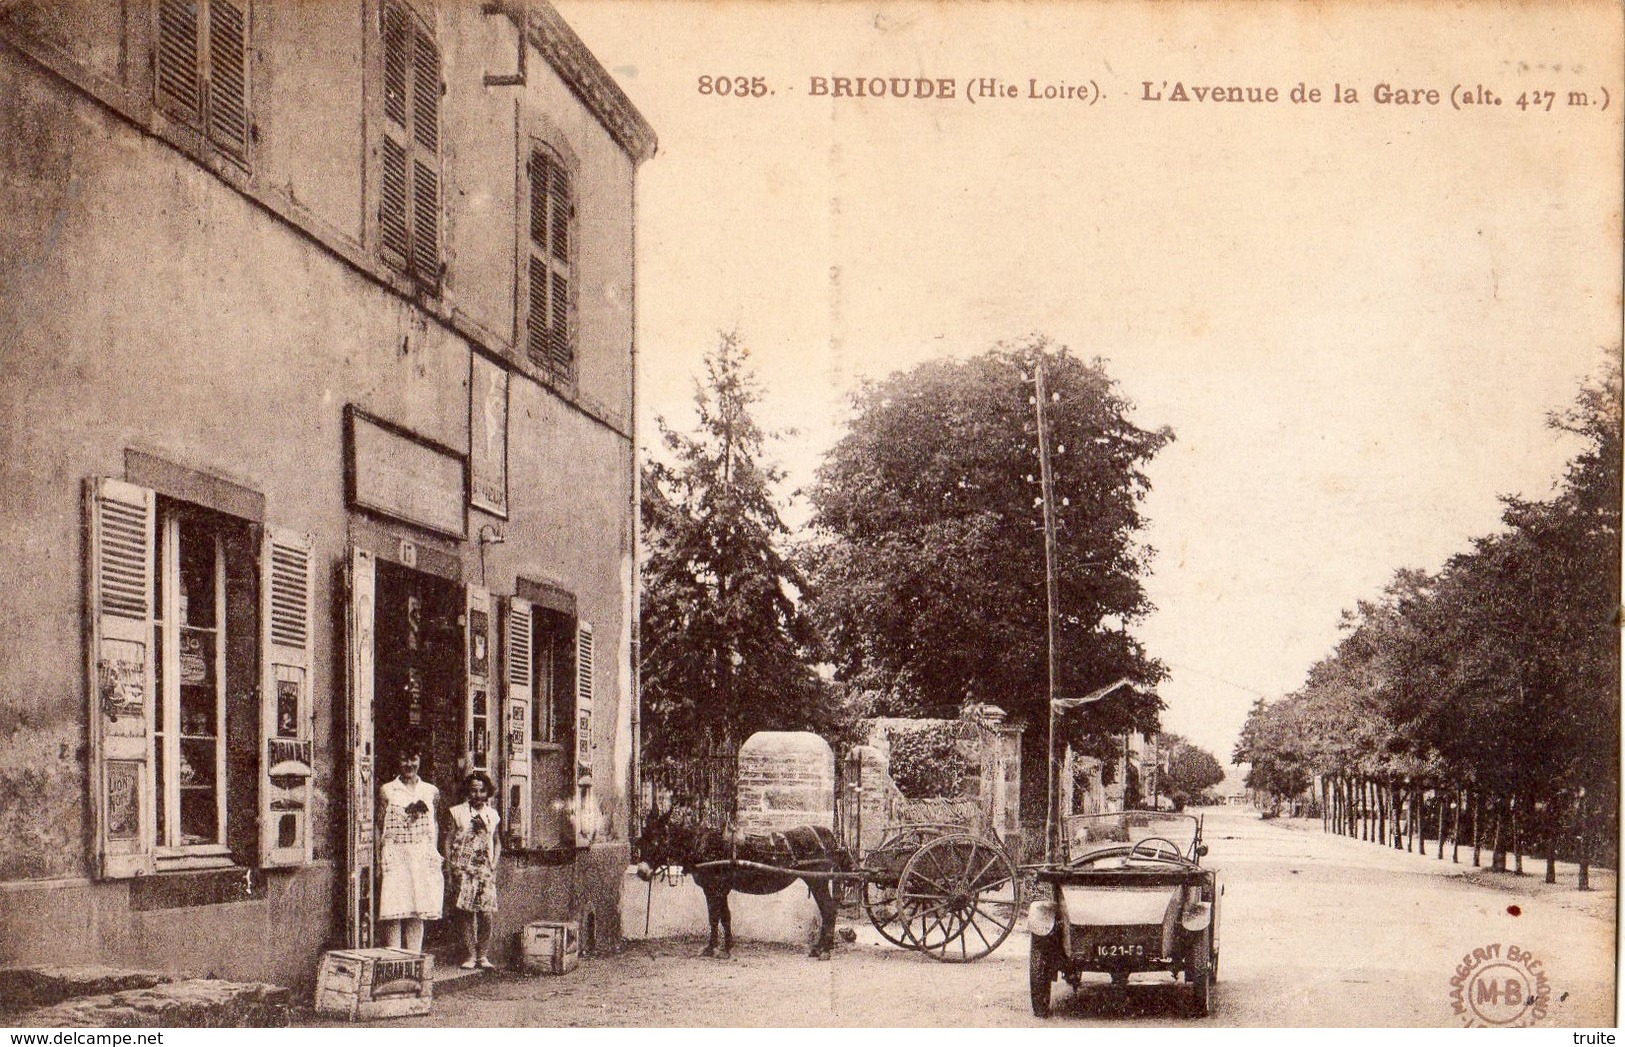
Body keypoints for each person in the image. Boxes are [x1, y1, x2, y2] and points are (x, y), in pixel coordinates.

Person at [377, 747, 443, 953]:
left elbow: (435, 823)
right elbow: (379, 824)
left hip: (421, 854)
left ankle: (414, 957)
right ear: (398, 761)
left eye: (413, 759)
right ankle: (394, 958)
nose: (409, 765)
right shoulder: (388, 790)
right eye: (404, 759)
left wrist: (435, 853)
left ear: (420, 759)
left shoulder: (431, 791)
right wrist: (378, 857)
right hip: (396, 854)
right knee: (394, 908)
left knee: (417, 908)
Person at [447, 771, 502, 969]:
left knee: (486, 913)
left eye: (481, 791)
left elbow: (496, 842)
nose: (477, 795)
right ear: (467, 792)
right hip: (464, 868)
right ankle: (470, 955)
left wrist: (494, 862)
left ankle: (483, 955)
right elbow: (449, 839)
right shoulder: (458, 812)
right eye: (473, 791)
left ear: (487, 792)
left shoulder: (492, 815)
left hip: (485, 869)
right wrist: (450, 865)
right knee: (467, 913)